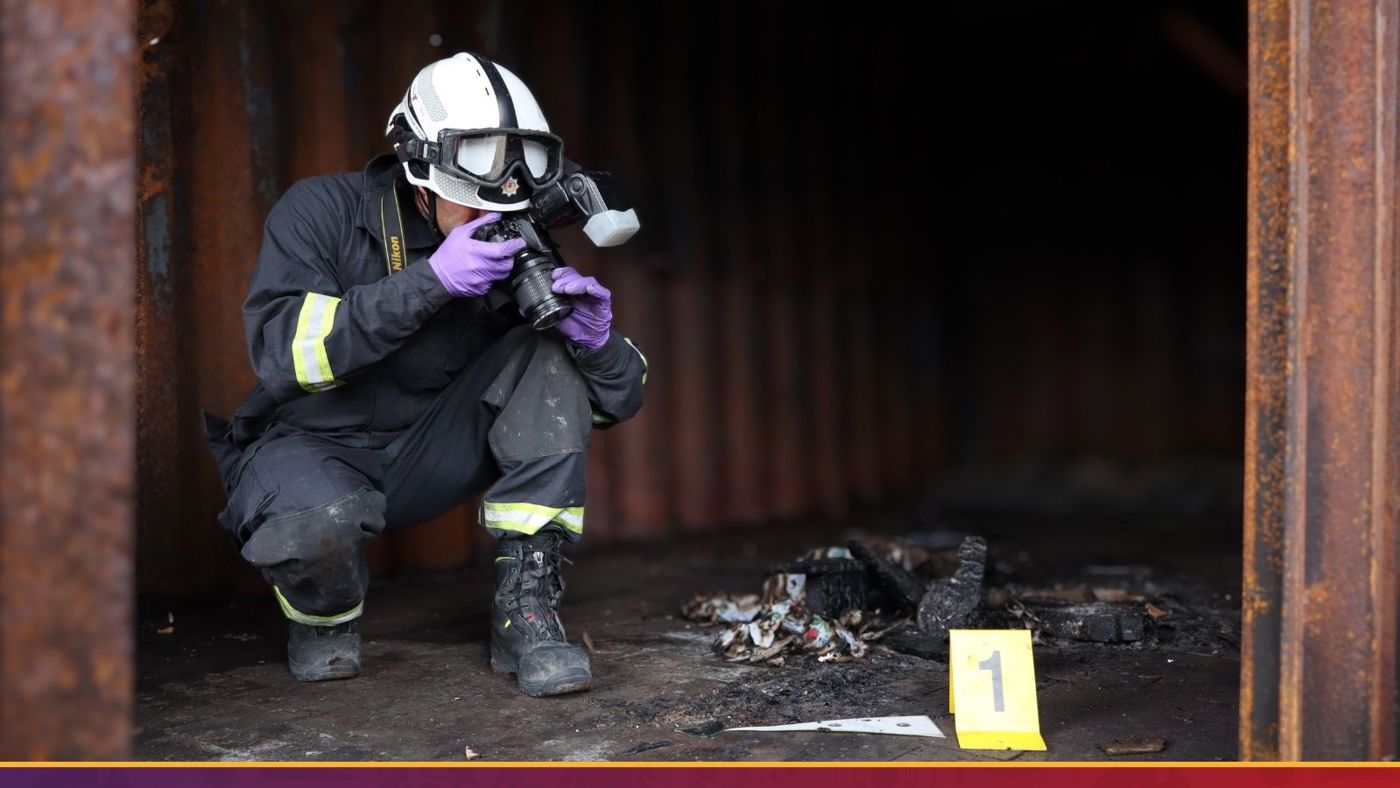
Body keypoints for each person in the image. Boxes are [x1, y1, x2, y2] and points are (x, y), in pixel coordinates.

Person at [204, 52, 647, 697]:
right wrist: (429, 282)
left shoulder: (513, 234)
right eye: (469, 206)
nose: (490, 221)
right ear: (420, 176)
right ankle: (324, 619)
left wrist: (597, 345)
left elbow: (603, 407)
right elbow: (282, 358)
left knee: (548, 351)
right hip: (313, 447)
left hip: (431, 450)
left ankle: (525, 614)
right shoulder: (321, 211)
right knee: (312, 528)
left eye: (506, 206)